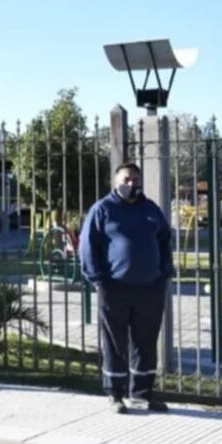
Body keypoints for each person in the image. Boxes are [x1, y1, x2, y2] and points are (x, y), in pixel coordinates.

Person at [81, 162, 174, 414]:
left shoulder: (151, 209)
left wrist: (165, 272)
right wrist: (98, 278)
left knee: (145, 342)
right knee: (115, 342)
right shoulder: (103, 209)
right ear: (116, 182)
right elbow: (88, 245)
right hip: (114, 288)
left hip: (150, 288)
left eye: (136, 179)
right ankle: (115, 394)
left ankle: (143, 393)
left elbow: (165, 239)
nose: (132, 183)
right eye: (127, 179)